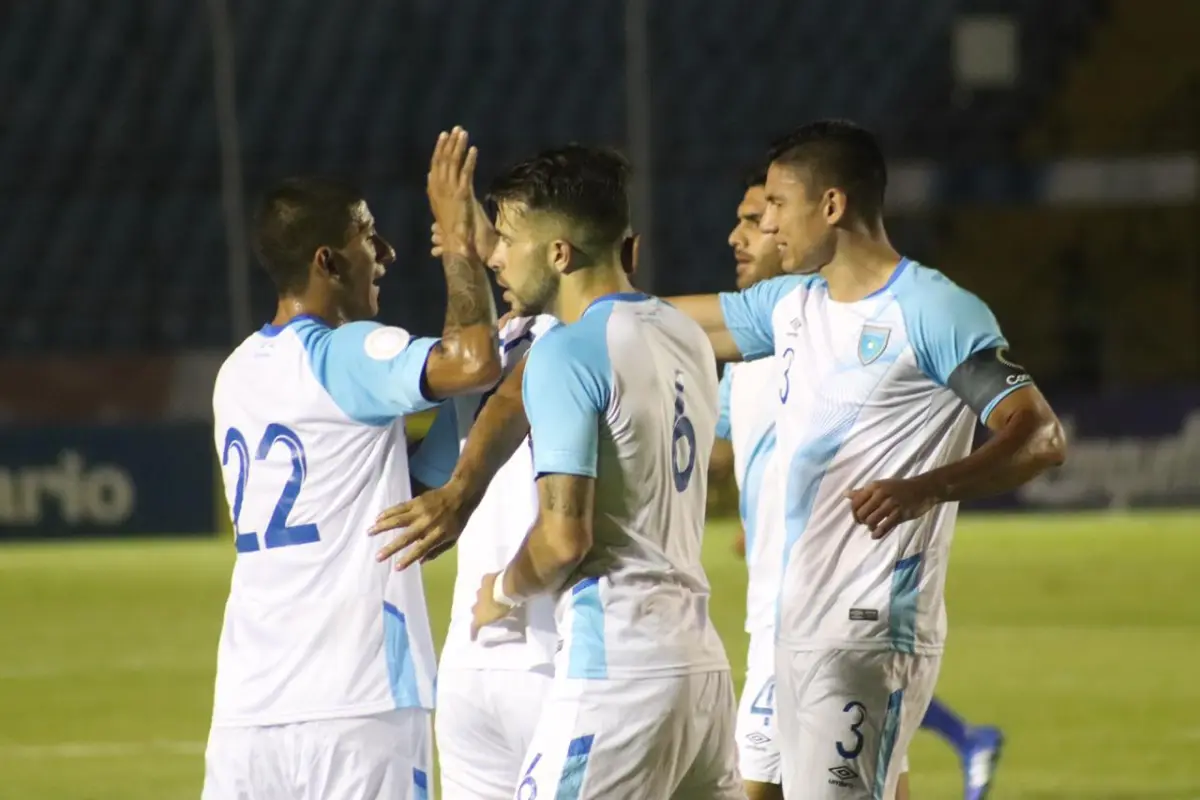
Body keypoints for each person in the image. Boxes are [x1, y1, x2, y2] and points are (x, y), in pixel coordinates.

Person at [670, 119, 1066, 799]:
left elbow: (1038, 436)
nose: (768, 224)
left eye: (777, 207)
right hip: (791, 628)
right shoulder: (793, 304)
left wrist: (925, 488)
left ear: (831, 206)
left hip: (868, 630)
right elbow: (664, 324)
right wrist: (568, 310)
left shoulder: (931, 309)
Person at [395, 143, 743, 798]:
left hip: (614, 671)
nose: (496, 255)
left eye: (508, 240)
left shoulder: (566, 354)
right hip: (698, 670)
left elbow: (563, 540)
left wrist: (500, 590)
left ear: (559, 253)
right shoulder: (688, 339)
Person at [203, 127, 499, 800]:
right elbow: (472, 361)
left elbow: (402, 493)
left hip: (249, 708)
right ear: (328, 262)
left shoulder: (236, 374)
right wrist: (458, 243)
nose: (386, 253)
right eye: (368, 235)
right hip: (359, 700)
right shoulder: (348, 354)